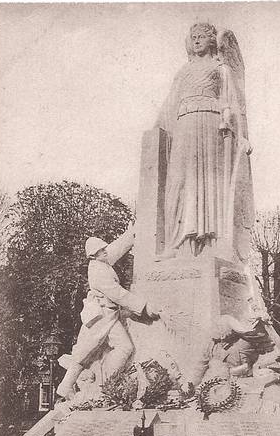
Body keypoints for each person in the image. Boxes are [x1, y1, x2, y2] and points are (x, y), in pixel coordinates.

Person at [156, 23, 251, 256]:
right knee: (179, 181)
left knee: (207, 182)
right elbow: (169, 104)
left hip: (211, 125)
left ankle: (209, 243)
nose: (196, 40)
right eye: (194, 37)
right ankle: (176, 242)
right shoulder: (183, 71)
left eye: (201, 37)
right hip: (185, 125)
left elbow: (231, 102)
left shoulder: (221, 69)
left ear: (211, 41)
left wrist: (240, 132)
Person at [57, 228, 161, 399]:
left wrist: (131, 234)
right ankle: (72, 386)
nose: (106, 251)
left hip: (109, 316)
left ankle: (104, 384)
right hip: (99, 316)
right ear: (94, 256)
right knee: (85, 352)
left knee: (111, 348)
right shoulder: (98, 271)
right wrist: (144, 307)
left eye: (104, 249)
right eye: (101, 250)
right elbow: (118, 294)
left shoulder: (101, 262)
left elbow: (114, 250)